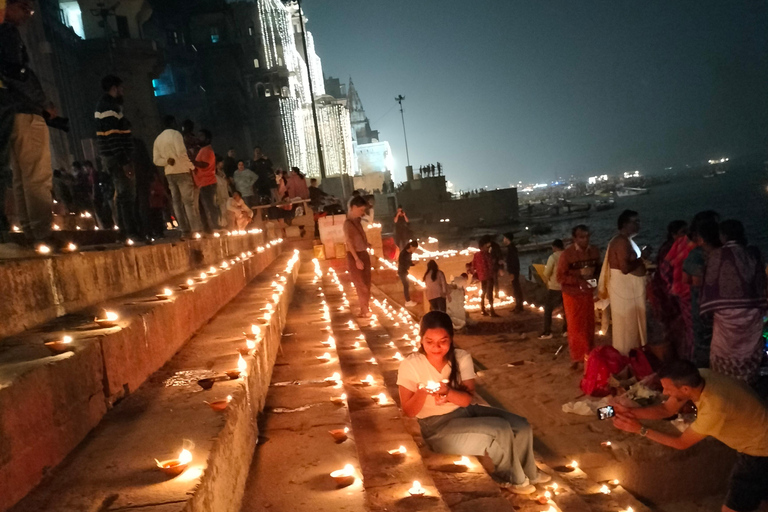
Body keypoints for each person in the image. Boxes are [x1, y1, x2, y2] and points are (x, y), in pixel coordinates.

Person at [398, 311, 550, 494]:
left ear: (451, 338)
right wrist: (422, 391)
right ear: (421, 339)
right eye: (429, 341)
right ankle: (511, 477)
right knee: (499, 429)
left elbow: (466, 400)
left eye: (443, 341)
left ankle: (529, 472)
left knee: (521, 425)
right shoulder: (411, 364)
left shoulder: (461, 358)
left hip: (465, 412)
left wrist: (447, 392)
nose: (436, 347)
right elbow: (408, 411)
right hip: (437, 429)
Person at [612, 360, 768, 512]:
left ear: (685, 389)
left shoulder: (714, 408)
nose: (665, 392)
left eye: (667, 388)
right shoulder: (701, 376)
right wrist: (630, 412)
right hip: (758, 435)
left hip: (759, 450)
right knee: (758, 497)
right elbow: (666, 410)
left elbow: (681, 443)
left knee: (733, 506)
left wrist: (640, 430)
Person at [1, 0, 56, 251]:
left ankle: (29, 230)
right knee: (37, 175)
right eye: (25, 8)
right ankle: (42, 232)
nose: (28, 15)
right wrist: (43, 102)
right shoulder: (7, 32)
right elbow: (17, 73)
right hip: (24, 109)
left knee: (22, 176)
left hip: (9, 111)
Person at [700, 220, 767, 385]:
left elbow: (709, 284)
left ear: (722, 236)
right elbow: (760, 284)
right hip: (751, 314)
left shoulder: (716, 255)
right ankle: (748, 386)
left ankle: (727, 388)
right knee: (749, 351)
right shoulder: (751, 253)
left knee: (725, 352)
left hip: (725, 315)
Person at [598, 210, 650, 355]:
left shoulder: (625, 241)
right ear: (625, 224)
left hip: (628, 291)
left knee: (631, 326)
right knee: (627, 328)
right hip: (625, 292)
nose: (639, 225)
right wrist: (643, 257)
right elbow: (625, 268)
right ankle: (627, 357)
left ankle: (634, 356)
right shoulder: (621, 242)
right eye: (636, 222)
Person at [95, 75, 138, 242]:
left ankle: (127, 231)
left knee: (124, 194)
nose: (122, 91)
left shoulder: (111, 106)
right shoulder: (108, 107)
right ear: (114, 88)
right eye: (121, 88)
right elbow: (113, 137)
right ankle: (129, 232)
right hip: (116, 157)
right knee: (126, 194)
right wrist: (125, 161)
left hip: (115, 156)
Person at [557, 225, 600, 367]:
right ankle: (577, 357)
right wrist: (578, 281)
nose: (585, 240)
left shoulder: (594, 251)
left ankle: (589, 354)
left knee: (589, 324)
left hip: (587, 293)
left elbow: (599, 271)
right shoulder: (567, 255)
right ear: (575, 238)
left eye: (587, 237)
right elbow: (560, 277)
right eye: (582, 237)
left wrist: (594, 281)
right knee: (576, 326)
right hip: (572, 295)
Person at [152, 115, 201, 238]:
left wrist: (167, 161)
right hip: (182, 171)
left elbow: (156, 160)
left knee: (176, 202)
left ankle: (184, 230)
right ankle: (195, 229)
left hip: (169, 173)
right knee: (188, 202)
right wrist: (192, 167)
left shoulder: (158, 139)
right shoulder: (176, 135)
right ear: (172, 123)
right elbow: (182, 153)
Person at [682, 218, 720, 368]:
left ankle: (705, 375)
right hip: (724, 306)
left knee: (703, 342)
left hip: (701, 304)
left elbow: (688, 280)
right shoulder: (724, 252)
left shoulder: (696, 255)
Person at [648, 220, 687, 358]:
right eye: (683, 232)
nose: (686, 235)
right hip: (667, 294)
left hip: (669, 292)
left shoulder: (679, 247)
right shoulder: (670, 249)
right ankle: (675, 357)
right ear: (673, 234)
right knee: (674, 326)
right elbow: (667, 274)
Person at [344, 195, 372, 318]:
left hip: (363, 253)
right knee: (361, 285)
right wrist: (356, 259)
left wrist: (366, 244)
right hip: (355, 256)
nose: (362, 213)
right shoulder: (348, 224)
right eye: (360, 210)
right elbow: (349, 242)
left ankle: (365, 308)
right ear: (353, 207)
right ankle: (364, 309)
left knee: (367, 283)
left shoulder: (358, 222)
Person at [192, 129, 219, 234]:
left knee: (210, 207)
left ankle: (215, 227)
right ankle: (208, 228)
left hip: (208, 182)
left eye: (201, 136)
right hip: (202, 183)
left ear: (207, 138)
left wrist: (193, 162)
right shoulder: (202, 150)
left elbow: (205, 164)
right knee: (205, 207)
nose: (199, 138)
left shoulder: (208, 150)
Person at [539, 239, 567, 339]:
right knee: (566, 309)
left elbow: (547, 273)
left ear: (554, 247)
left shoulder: (553, 257)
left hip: (554, 287)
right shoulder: (567, 255)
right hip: (566, 286)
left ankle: (547, 332)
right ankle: (566, 330)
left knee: (548, 309)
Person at [471, 235, 497, 317]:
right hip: (489, 276)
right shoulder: (487, 254)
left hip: (481, 276)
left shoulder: (476, 255)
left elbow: (473, 265)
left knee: (483, 292)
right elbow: (490, 265)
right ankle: (492, 311)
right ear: (484, 245)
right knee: (489, 293)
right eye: (488, 246)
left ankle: (483, 309)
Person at [502, 232, 524, 312]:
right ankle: (518, 305)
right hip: (514, 271)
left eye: (504, 238)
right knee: (516, 288)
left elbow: (514, 261)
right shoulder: (511, 248)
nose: (503, 240)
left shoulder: (511, 248)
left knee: (516, 288)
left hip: (514, 271)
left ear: (507, 239)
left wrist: (512, 273)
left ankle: (519, 306)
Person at [398, 240, 418, 307]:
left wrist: (412, 263)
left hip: (405, 271)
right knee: (406, 286)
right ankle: (408, 301)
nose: (414, 250)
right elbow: (402, 262)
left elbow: (408, 262)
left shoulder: (409, 253)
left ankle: (408, 301)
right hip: (402, 271)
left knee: (407, 285)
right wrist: (412, 263)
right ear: (411, 246)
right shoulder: (404, 253)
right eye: (414, 248)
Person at [214, 158, 231, 229]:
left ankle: (224, 225)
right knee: (220, 212)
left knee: (224, 211)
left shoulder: (222, 174)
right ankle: (220, 226)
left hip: (224, 195)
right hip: (219, 196)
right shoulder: (215, 177)